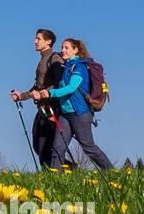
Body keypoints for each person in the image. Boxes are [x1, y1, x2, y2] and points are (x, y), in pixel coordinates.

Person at [33, 37, 113, 170]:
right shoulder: (66, 67)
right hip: (65, 114)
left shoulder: (79, 67)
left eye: (66, 48)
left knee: (88, 147)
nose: (62, 50)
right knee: (58, 147)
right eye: (62, 48)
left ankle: (112, 171)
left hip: (80, 114)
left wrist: (51, 93)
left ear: (75, 50)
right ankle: (54, 179)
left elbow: (72, 87)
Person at [10, 28, 66, 170]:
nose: (35, 41)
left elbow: (60, 83)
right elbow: (37, 87)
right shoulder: (43, 60)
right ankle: (61, 170)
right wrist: (21, 96)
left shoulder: (54, 58)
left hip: (51, 107)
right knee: (38, 142)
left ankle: (63, 170)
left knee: (45, 143)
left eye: (38, 39)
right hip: (43, 107)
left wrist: (43, 93)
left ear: (48, 41)